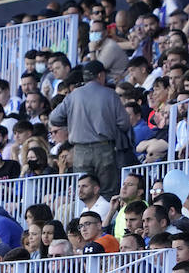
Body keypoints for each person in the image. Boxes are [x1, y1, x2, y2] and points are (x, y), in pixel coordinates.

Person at [47, 61, 130, 199]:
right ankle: (107, 219)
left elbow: (54, 118)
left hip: (80, 151)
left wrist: (72, 121)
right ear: (100, 75)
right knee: (108, 191)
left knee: (84, 192)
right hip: (105, 149)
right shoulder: (110, 94)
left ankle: (85, 219)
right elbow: (124, 123)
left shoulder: (73, 96)